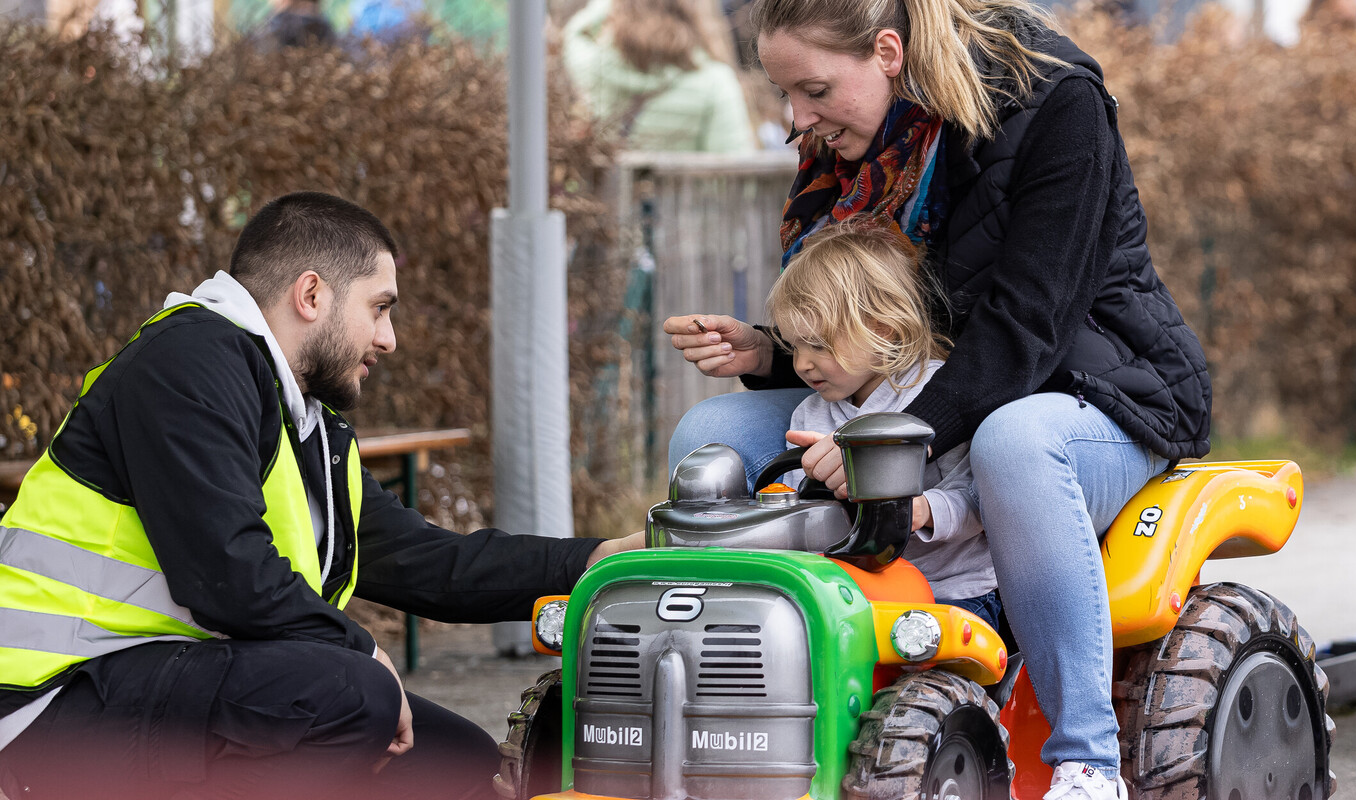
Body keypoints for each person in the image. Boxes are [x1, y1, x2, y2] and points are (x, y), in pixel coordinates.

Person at [659, 0, 1212, 795]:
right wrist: (771, 350)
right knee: (710, 435)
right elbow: (878, 321)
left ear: (888, 50)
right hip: (924, 386)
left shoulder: (1056, 102)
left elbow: (1026, 326)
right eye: (786, 94)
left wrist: (893, 446)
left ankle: (1087, 760)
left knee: (1012, 445)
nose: (796, 120)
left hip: (1090, 386)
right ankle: (746, 717)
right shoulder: (855, 134)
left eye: (812, 92)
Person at [0, 192, 647, 800]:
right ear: (311, 294)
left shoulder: (304, 422)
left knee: (459, 765)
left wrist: (597, 561)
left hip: (171, 683)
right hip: (47, 703)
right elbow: (225, 574)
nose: (388, 339)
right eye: (379, 307)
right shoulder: (187, 363)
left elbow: (430, 564)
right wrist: (360, 650)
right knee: (349, 696)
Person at [762, 216, 1001, 627]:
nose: (801, 364)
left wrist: (921, 511)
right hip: (856, 591)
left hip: (950, 591)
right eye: (794, 344)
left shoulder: (936, 396)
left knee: (922, 677)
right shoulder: (813, 412)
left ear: (883, 328)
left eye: (818, 344)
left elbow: (981, 502)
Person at [562, 0, 758, 153]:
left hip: (610, 203)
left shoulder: (594, 69)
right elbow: (736, 169)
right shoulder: (715, 81)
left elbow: (574, 32)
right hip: (688, 204)